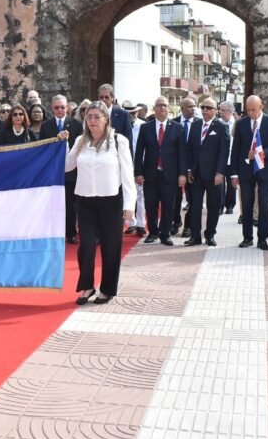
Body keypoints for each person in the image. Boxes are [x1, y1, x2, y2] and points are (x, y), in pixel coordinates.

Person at [65, 102, 135, 305]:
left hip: (111, 201)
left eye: (97, 116)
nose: (92, 121)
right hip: (85, 201)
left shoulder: (118, 141)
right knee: (86, 246)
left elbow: (127, 173)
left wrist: (129, 205)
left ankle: (107, 289)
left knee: (111, 247)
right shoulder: (80, 141)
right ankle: (87, 286)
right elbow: (67, 166)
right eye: (89, 117)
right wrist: (61, 145)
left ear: (106, 119)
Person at [230, 95, 268, 250]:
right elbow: (235, 150)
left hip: (265, 171)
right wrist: (234, 174)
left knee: (264, 204)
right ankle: (247, 238)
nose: (250, 113)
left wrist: (262, 152)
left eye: (253, 109)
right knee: (246, 204)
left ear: (261, 107)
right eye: (248, 110)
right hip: (245, 170)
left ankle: (262, 239)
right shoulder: (241, 124)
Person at [135, 96, 188, 245]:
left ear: (168, 108)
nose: (162, 108)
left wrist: (182, 174)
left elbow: (182, 153)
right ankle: (153, 232)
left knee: (168, 205)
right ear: (154, 108)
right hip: (150, 174)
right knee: (150, 204)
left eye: (164, 105)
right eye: (159, 105)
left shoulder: (177, 127)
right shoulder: (145, 127)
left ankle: (165, 233)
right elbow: (139, 152)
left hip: (170, 174)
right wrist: (138, 172)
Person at [185, 98, 229, 246]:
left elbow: (224, 152)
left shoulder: (221, 127)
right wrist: (189, 169)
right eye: (203, 107)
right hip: (196, 174)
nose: (204, 110)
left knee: (213, 206)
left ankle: (210, 235)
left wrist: (220, 173)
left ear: (215, 110)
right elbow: (190, 148)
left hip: (213, 175)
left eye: (208, 108)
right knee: (195, 206)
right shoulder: (195, 125)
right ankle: (195, 236)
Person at [40, 95, 84, 243]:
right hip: (52, 171)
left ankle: (71, 233)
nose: (60, 110)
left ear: (67, 108)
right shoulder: (46, 126)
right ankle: (54, 232)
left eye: (63, 107)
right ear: (52, 108)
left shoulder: (76, 125)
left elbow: (80, 148)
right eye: (57, 107)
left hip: (71, 172)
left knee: (70, 204)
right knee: (53, 205)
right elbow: (43, 148)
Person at [172, 96, 199, 237]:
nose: (193, 109)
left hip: (194, 168)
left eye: (194, 106)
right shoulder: (173, 123)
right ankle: (176, 221)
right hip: (176, 167)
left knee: (193, 198)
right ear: (182, 109)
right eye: (190, 106)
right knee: (175, 198)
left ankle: (188, 226)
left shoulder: (199, 123)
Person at [126, 103, 148, 236]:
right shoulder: (120, 125)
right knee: (127, 194)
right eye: (129, 113)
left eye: (133, 113)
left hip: (139, 163)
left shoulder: (143, 126)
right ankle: (131, 223)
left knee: (140, 194)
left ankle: (141, 224)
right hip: (125, 164)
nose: (131, 116)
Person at [96, 83, 134, 151]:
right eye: (101, 97)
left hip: (117, 152)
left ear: (112, 98)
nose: (103, 99)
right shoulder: (93, 114)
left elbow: (128, 138)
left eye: (106, 97)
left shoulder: (123, 114)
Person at [218, 101, 237, 215]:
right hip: (220, 159)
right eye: (220, 110)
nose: (221, 112)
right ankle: (219, 206)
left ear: (230, 111)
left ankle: (230, 205)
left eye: (223, 110)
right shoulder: (217, 123)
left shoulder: (236, 124)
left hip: (232, 158)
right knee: (219, 183)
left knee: (231, 183)